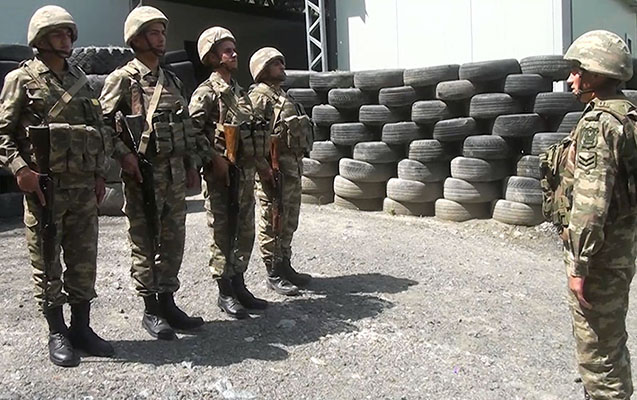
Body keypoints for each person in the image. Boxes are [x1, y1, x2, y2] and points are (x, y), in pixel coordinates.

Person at [0, 5, 114, 366]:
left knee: (83, 260)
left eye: (68, 33)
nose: (65, 39)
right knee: (47, 261)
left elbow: (99, 131)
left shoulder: (81, 79)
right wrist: (20, 170)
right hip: (44, 187)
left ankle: (81, 328)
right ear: (40, 39)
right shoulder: (22, 79)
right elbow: (3, 133)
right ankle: (57, 331)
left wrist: (99, 174)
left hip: (82, 187)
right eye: (57, 34)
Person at [100, 6, 208, 340]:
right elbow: (102, 125)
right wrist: (123, 156)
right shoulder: (123, 80)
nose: (161, 39)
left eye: (162, 33)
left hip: (174, 173)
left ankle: (168, 302)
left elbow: (186, 127)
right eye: (153, 33)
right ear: (136, 38)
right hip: (143, 175)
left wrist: (191, 165)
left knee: (174, 239)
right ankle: (151, 309)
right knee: (145, 240)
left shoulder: (172, 80)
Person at [558, 29, 636, 399]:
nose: (571, 79)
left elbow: (591, 202)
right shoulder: (627, 117)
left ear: (596, 74)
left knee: (599, 353)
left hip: (599, 259)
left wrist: (579, 264)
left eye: (578, 71)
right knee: (611, 340)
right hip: (620, 249)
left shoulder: (598, 125)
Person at [189, 27, 270, 319]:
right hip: (221, 175)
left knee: (244, 229)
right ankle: (225, 291)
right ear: (212, 56)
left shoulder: (239, 92)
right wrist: (213, 158)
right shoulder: (206, 92)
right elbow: (192, 131)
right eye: (226, 50)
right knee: (222, 232)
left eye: (234, 49)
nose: (234, 54)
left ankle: (239, 284)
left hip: (244, 174)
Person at [248, 47, 312, 296]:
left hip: (292, 169)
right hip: (272, 171)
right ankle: (273, 272)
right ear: (262, 70)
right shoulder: (259, 98)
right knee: (272, 221)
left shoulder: (283, 96)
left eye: (281, 63)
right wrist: (263, 169)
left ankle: (285, 264)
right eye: (276, 64)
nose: (282, 67)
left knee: (289, 220)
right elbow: (251, 138)